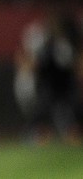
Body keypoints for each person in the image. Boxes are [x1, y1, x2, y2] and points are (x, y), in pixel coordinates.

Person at [14, 8, 82, 144]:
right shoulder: (43, 42)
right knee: (42, 109)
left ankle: (71, 132)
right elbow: (30, 62)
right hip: (48, 83)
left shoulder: (66, 42)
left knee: (71, 109)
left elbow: (74, 63)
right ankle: (35, 133)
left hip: (64, 83)